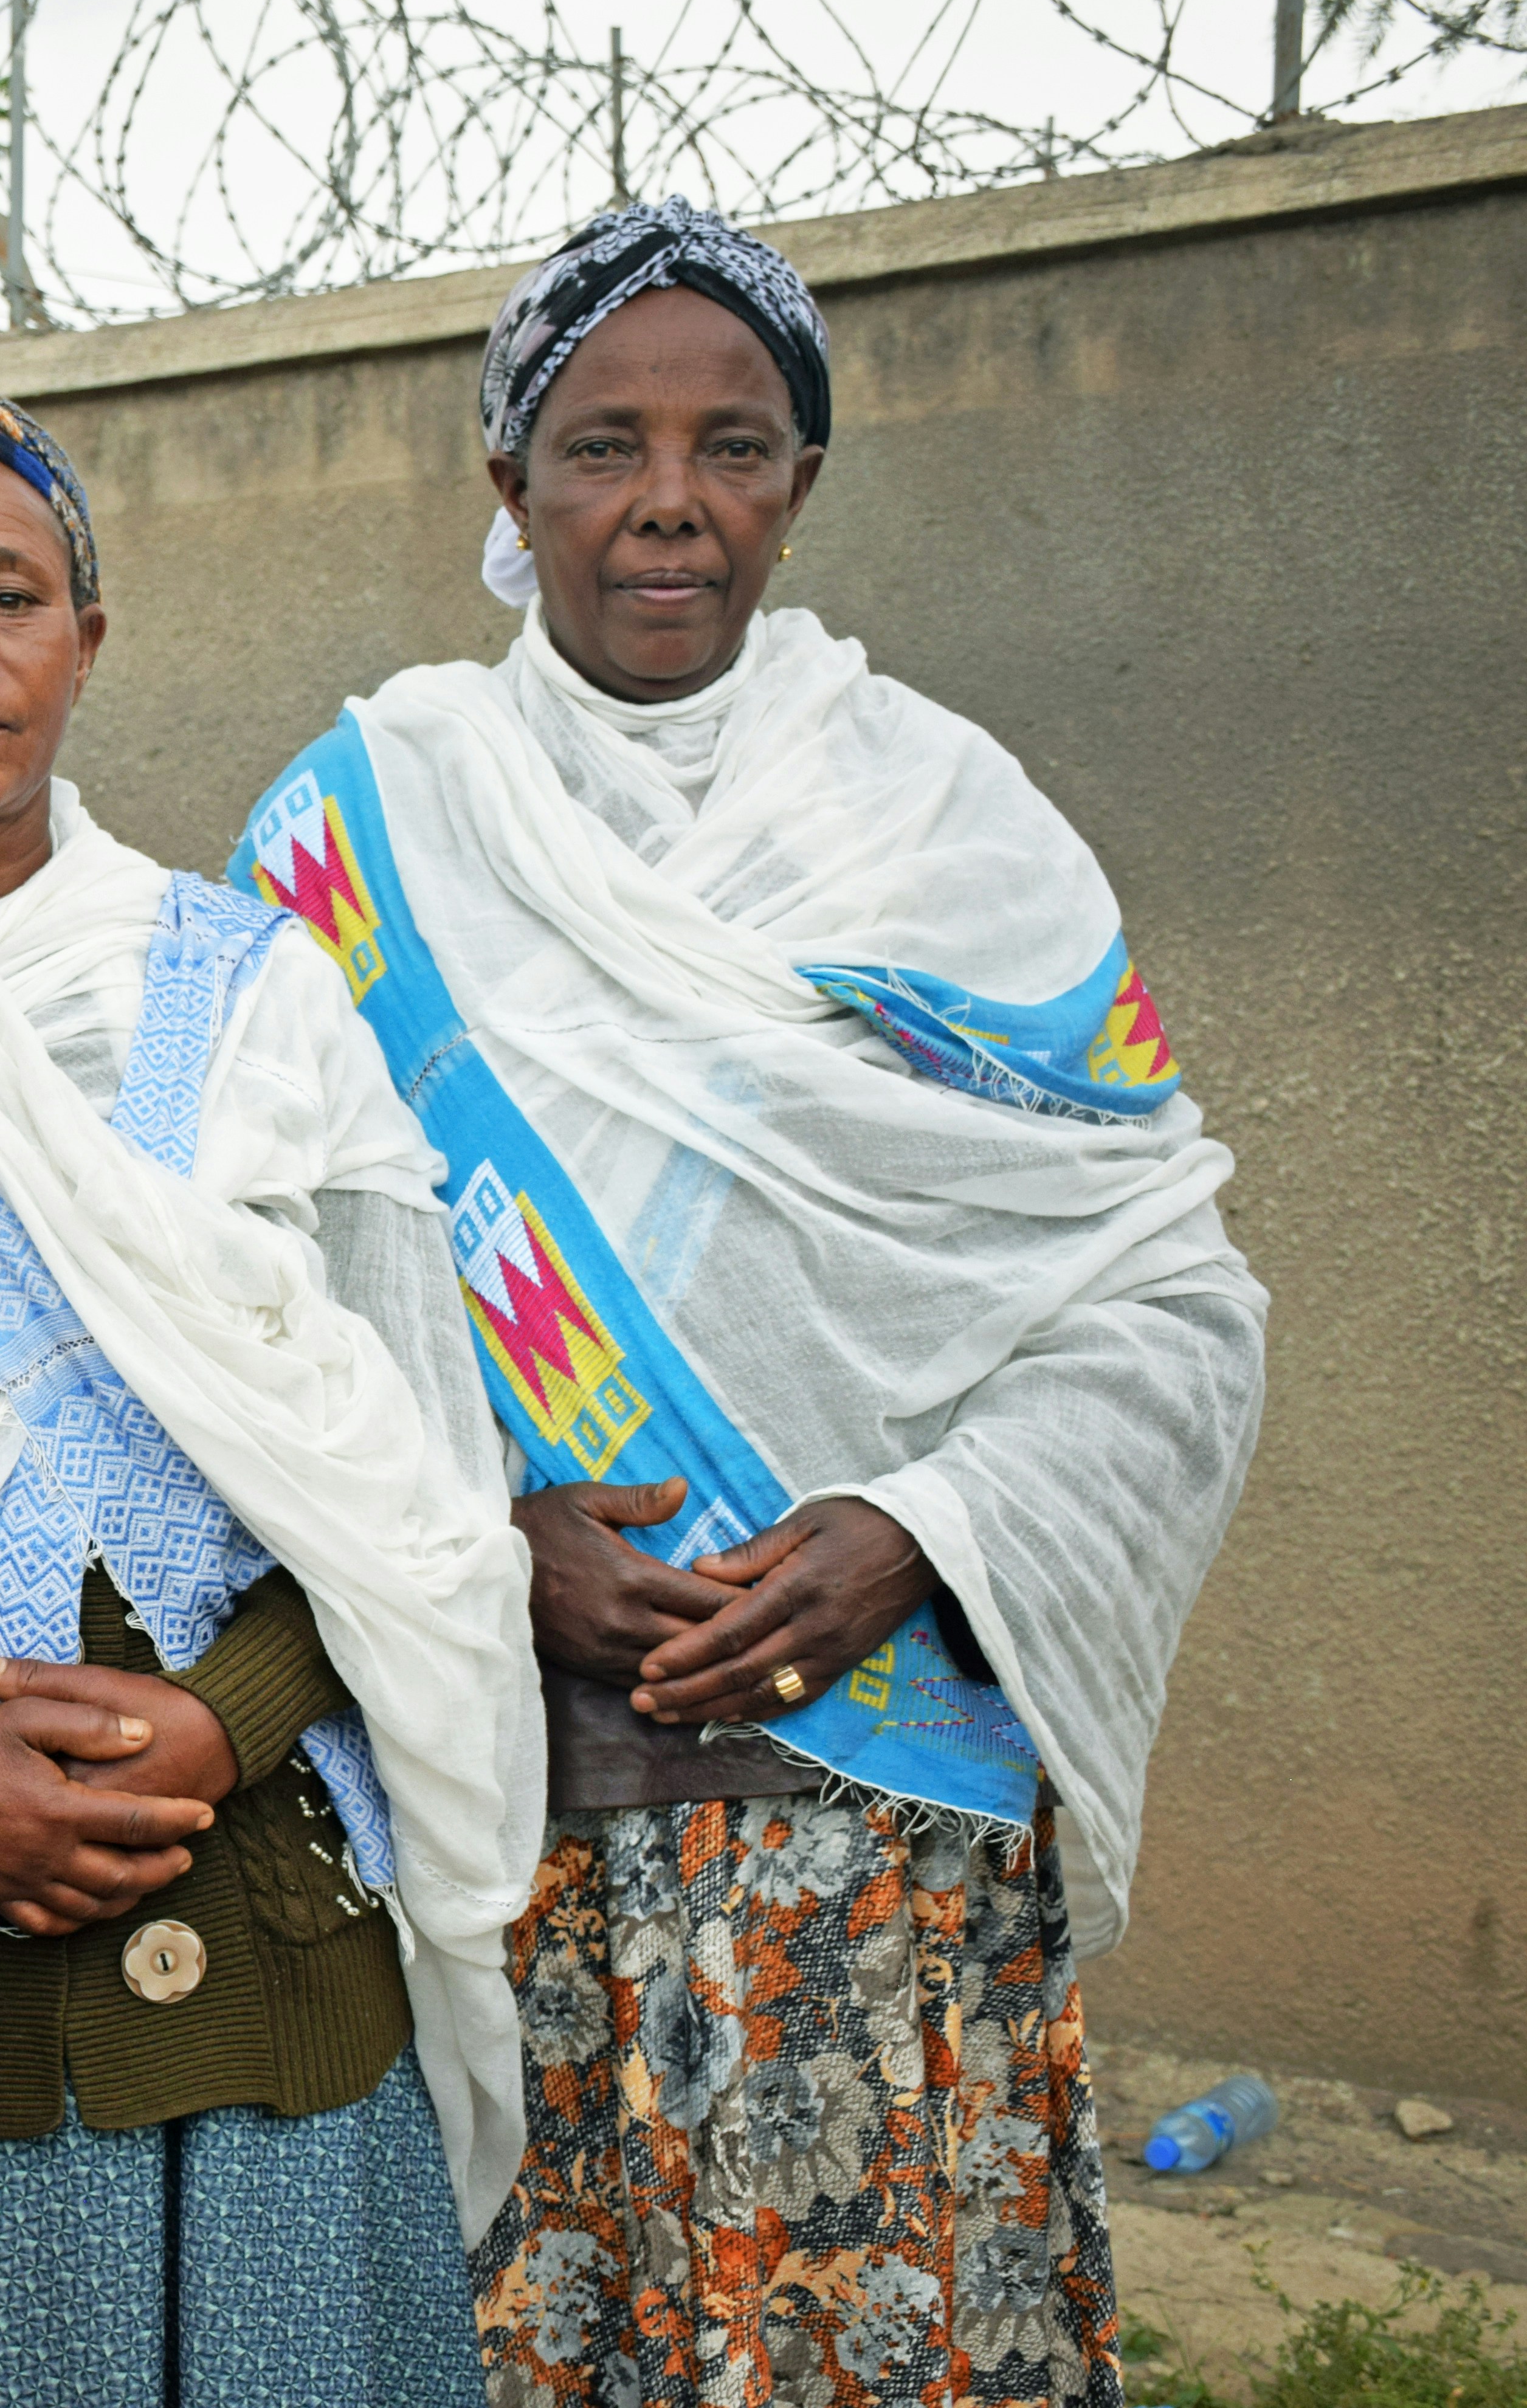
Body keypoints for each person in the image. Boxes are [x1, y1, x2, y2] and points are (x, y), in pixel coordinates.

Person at [227, 200, 1268, 2407]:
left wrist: (921, 1529)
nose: (670, 498)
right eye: (602, 444)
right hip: (497, 1805)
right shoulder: (348, 846)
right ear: (509, 492)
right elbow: (236, 1310)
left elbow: (1169, 1306)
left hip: (879, 1844)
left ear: (800, 481)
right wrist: (489, 1543)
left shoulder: (950, 837)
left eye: (733, 441)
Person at [0, 377, 544, 2407]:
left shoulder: (252, 992)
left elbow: (413, 1473)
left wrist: (219, 1719)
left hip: (255, 1918)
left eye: (13, 594)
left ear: (88, 634)